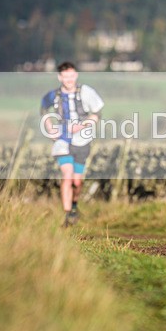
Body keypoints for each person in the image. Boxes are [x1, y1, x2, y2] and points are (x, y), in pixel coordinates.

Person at [40, 62, 104, 227]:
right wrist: (49, 126)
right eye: (65, 76)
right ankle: (68, 215)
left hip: (82, 140)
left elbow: (97, 112)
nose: (69, 79)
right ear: (60, 77)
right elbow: (43, 108)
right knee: (67, 175)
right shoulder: (54, 96)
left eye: (71, 75)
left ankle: (74, 206)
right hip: (62, 141)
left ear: (76, 75)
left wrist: (82, 126)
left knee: (77, 182)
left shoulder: (86, 92)